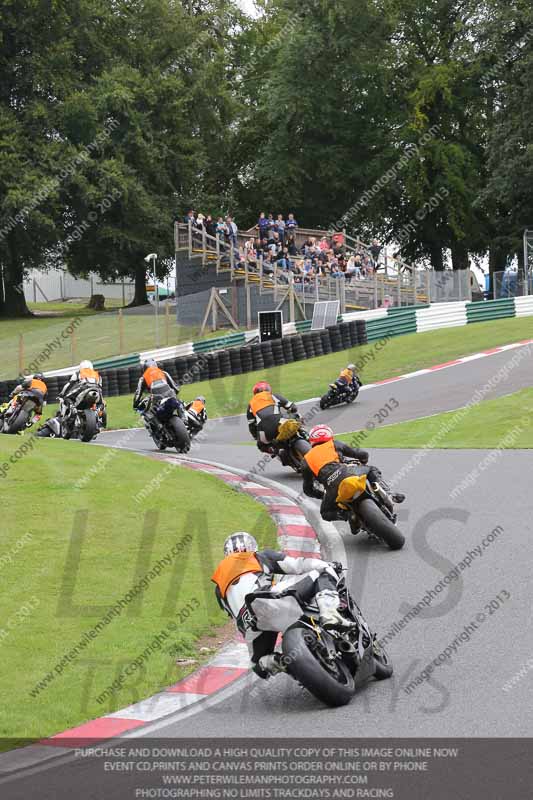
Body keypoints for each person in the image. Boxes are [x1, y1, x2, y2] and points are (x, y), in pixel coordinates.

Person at [211, 532, 354, 678]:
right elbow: (297, 565)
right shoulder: (258, 556)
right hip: (267, 599)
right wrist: (326, 565)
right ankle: (329, 612)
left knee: (258, 666)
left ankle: (279, 662)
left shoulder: (218, 589)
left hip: (251, 624)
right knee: (321, 573)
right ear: (251, 547)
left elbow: (233, 616)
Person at [301, 425, 404, 522]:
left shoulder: (306, 460)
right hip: (348, 472)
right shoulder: (334, 444)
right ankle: (388, 494)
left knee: (325, 513)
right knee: (371, 469)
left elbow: (308, 489)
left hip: (331, 487)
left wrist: (321, 496)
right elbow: (362, 453)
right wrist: (363, 461)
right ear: (329, 436)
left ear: (312, 440)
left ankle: (349, 516)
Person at [246, 381, 298, 453]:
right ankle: (304, 435)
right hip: (279, 422)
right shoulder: (273, 396)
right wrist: (292, 411)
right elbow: (292, 407)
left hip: (264, 431)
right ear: (268, 389)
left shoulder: (250, 405)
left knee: (261, 445)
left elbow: (251, 425)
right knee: (296, 419)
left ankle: (274, 451)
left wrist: (256, 437)